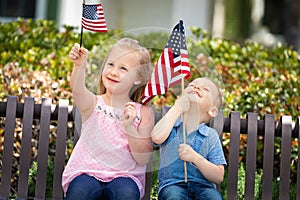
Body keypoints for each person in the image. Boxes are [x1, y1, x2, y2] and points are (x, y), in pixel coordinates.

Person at [62, 38, 154, 200]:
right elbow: (77, 90)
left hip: (125, 176)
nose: (113, 72)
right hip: (87, 172)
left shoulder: (143, 112)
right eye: (110, 64)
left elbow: (143, 157)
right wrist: (79, 66)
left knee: (126, 193)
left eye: (123, 68)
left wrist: (130, 127)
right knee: (79, 192)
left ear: (137, 78)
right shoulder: (93, 103)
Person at [151, 77, 227, 200]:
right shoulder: (171, 126)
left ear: (212, 111)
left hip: (204, 188)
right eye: (192, 85)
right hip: (173, 186)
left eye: (205, 89)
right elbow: (156, 138)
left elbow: (218, 177)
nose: (196, 87)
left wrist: (195, 158)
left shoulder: (210, 136)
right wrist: (176, 109)